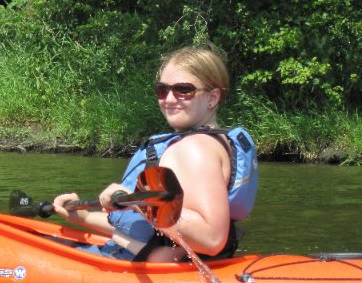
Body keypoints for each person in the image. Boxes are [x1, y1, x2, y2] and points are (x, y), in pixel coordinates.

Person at [53, 44, 258, 262]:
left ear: (212, 97)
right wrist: (84, 217)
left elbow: (211, 239)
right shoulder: (206, 143)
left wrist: (137, 200)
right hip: (138, 255)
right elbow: (155, 228)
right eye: (163, 90)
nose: (169, 99)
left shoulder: (194, 149)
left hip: (141, 265)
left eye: (183, 90)